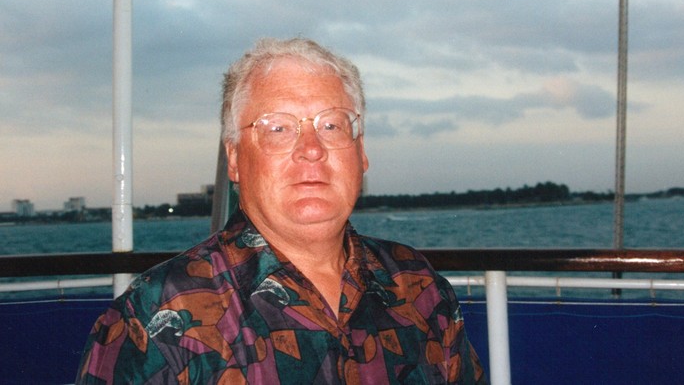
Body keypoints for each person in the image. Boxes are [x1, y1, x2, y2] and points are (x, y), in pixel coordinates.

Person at [76, 38, 487, 384]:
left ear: (361, 152)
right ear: (234, 159)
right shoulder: (156, 318)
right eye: (278, 128)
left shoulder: (418, 286)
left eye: (332, 125)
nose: (311, 149)